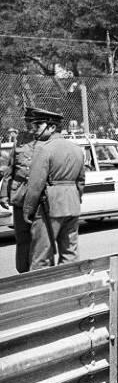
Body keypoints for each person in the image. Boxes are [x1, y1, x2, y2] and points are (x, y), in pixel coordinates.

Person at [21, 109, 86, 270]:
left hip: (49, 207)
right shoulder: (76, 149)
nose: (34, 130)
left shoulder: (43, 149)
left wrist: (28, 209)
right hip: (72, 206)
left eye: (38, 125)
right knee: (70, 254)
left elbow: (36, 184)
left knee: (41, 256)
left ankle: (42, 293)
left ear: (51, 127)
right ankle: (68, 290)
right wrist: (76, 199)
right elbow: (81, 182)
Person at [0, 108, 42, 273]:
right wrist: (4, 193)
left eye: (31, 122)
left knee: (39, 237)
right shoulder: (21, 139)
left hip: (39, 196)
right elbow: (11, 167)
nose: (28, 125)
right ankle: (23, 272)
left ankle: (38, 271)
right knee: (22, 236)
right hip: (20, 195)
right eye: (26, 121)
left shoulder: (45, 140)